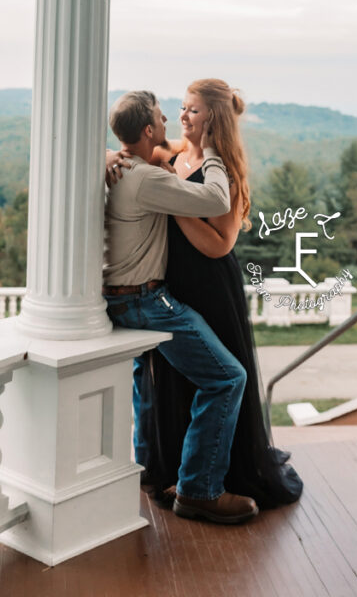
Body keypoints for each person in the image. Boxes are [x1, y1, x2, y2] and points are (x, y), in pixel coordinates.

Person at [125, 78, 303, 509]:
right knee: (167, 381)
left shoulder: (225, 171)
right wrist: (115, 159)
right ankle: (166, 471)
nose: (183, 116)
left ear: (214, 119)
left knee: (217, 378)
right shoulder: (171, 156)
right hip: (169, 286)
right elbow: (131, 157)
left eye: (193, 111)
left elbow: (219, 244)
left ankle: (215, 477)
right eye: (183, 108)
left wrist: (172, 202)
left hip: (210, 288)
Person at [103, 89, 259, 524]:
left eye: (190, 109)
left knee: (147, 379)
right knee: (229, 378)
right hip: (148, 298)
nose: (174, 117)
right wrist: (207, 151)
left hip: (127, 296)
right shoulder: (149, 177)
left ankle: (150, 466)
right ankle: (198, 490)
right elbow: (214, 200)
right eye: (165, 115)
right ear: (148, 129)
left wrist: (104, 155)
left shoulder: (125, 168)